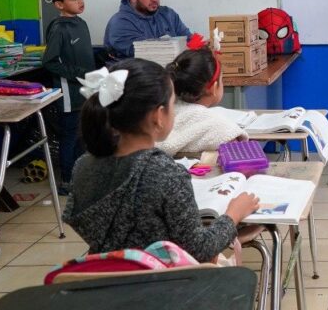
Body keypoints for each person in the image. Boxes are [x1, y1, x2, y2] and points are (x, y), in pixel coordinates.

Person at [64, 59, 260, 262]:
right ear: (158, 116)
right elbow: (200, 249)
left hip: (107, 283)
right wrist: (233, 215)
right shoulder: (163, 173)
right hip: (164, 286)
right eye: (172, 104)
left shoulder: (83, 166)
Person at [42, 0, 95, 195]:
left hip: (86, 92)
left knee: (83, 136)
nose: (80, 1)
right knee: (69, 137)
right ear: (59, 4)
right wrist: (79, 73)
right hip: (68, 94)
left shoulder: (81, 23)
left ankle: (79, 177)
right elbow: (50, 62)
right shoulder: (59, 28)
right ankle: (66, 181)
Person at [157, 36, 247, 156]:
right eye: (222, 80)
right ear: (214, 88)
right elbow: (241, 157)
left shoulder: (160, 115)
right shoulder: (221, 128)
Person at [103, 0, 191, 59]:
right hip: (135, 71)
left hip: (169, 70)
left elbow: (189, 40)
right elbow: (147, 53)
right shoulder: (120, 22)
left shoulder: (168, 14)